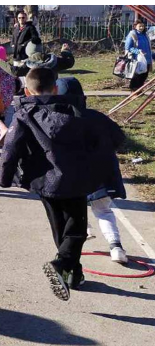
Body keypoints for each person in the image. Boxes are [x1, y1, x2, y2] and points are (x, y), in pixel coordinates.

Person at [0, 68, 124, 300]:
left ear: (27, 90)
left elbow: (11, 147)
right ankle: (61, 264)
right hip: (76, 181)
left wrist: (4, 178)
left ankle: (73, 275)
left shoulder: (24, 115)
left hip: (45, 183)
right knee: (75, 231)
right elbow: (117, 137)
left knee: (60, 228)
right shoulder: (83, 114)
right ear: (56, 88)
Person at [55, 77, 129, 269]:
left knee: (72, 209)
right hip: (103, 175)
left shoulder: (59, 120)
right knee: (103, 211)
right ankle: (116, 248)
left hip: (76, 177)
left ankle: (81, 237)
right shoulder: (97, 117)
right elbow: (120, 139)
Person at [125, 20, 152, 90]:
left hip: (147, 59)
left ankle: (139, 90)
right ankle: (134, 89)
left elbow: (148, 47)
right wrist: (138, 52)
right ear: (135, 26)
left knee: (144, 75)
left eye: (143, 26)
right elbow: (128, 48)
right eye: (140, 26)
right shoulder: (132, 35)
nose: (141, 28)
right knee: (137, 75)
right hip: (137, 59)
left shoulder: (145, 35)